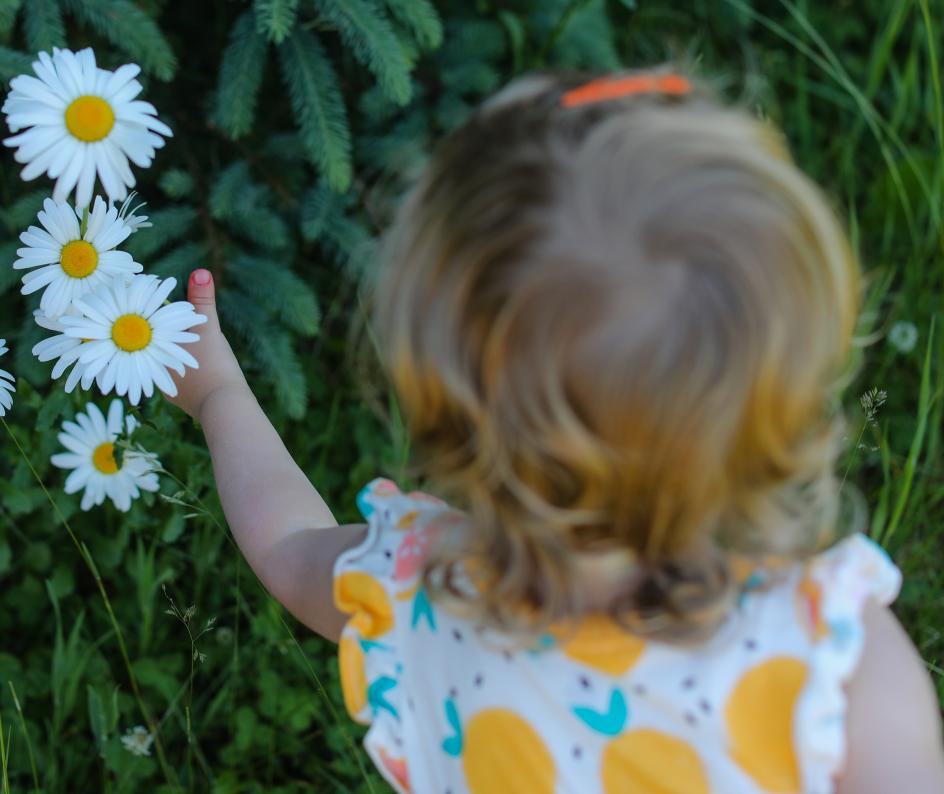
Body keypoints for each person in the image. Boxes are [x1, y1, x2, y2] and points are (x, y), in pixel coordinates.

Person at [167, 69, 944, 793]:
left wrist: (221, 395)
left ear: (447, 412)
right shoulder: (838, 671)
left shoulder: (417, 589)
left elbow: (284, 545)